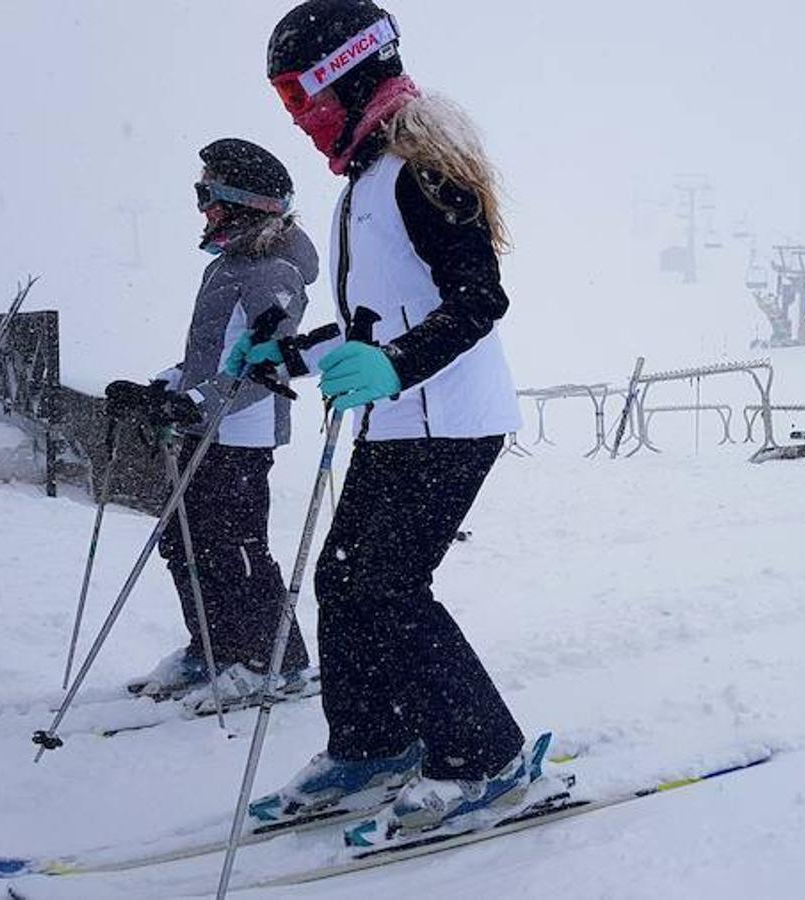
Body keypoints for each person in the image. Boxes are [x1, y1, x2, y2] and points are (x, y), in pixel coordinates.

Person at [240, 0, 530, 832]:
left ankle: (485, 758)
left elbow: (479, 298)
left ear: (347, 72)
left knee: (389, 586)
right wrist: (290, 356)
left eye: (300, 95)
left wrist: (396, 366)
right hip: (401, 418)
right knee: (344, 581)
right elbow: (374, 323)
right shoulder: (368, 179)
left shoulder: (421, 166)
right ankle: (372, 744)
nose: (296, 117)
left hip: (453, 419)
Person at [107, 139, 317, 707]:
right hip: (207, 428)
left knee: (237, 548)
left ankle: (276, 663)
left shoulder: (273, 271)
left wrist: (197, 401)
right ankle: (215, 648)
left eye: (208, 195)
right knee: (184, 543)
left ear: (242, 201)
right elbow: (212, 359)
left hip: (242, 434)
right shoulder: (227, 268)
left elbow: (265, 365)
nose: (202, 208)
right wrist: (162, 388)